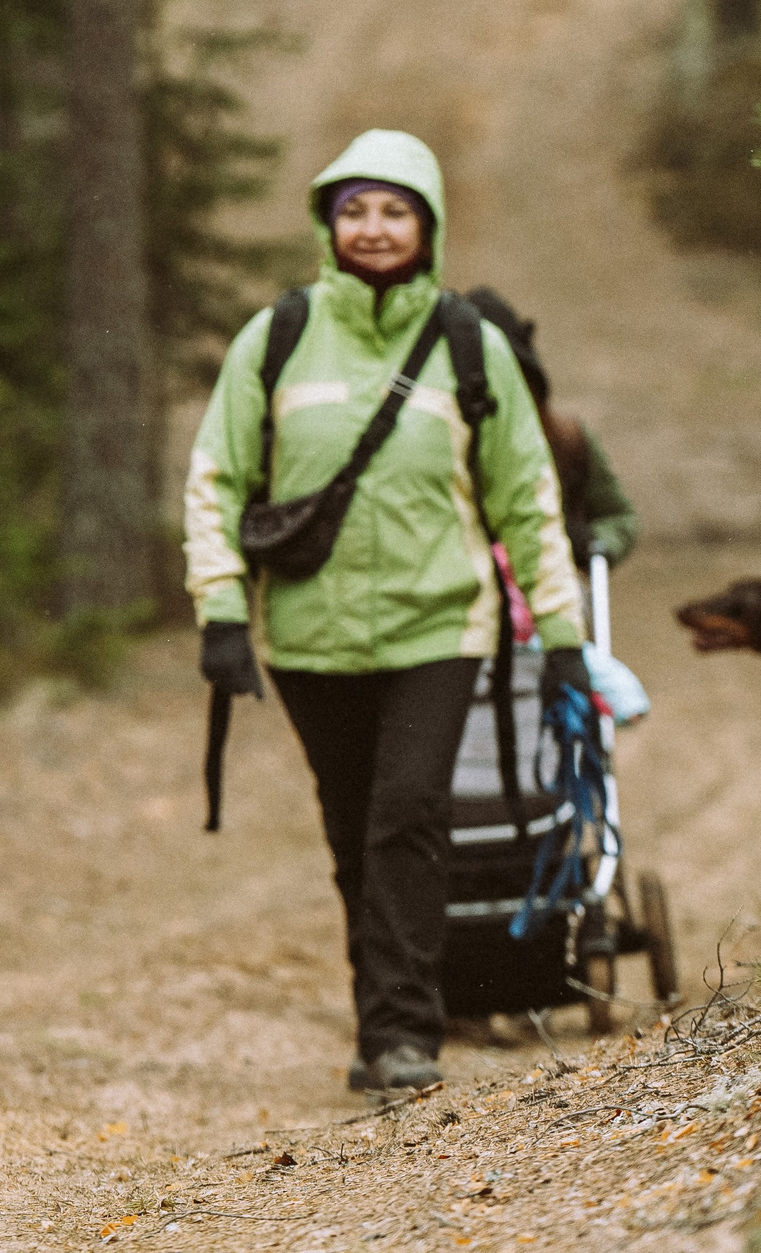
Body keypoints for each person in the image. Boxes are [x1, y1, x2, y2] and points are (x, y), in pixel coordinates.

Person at [182, 129, 587, 1094]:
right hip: (309, 637)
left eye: (395, 211)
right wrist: (221, 612)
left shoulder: (469, 344)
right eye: (354, 210)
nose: (373, 228)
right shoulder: (276, 337)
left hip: (437, 625)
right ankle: (381, 1016)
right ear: (327, 224)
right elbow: (216, 478)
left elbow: (527, 498)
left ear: (428, 228)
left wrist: (562, 632)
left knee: (408, 814)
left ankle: (404, 1031)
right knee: (353, 825)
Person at [464, 286, 649, 723]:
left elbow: (620, 517)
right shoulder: (439, 440)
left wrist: (595, 542)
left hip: (551, 605)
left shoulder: (568, 441)